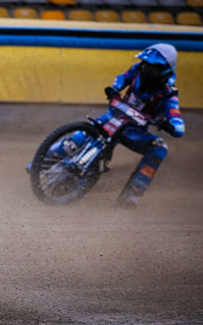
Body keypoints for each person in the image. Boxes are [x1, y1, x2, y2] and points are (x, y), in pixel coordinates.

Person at [33, 43, 185, 206]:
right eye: (145, 65)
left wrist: (171, 126)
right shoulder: (137, 69)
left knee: (159, 148)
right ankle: (40, 162)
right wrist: (115, 89)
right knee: (79, 137)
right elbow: (122, 78)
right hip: (112, 117)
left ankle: (132, 193)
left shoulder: (169, 94)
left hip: (133, 131)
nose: (147, 70)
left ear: (164, 71)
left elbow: (178, 124)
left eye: (153, 68)